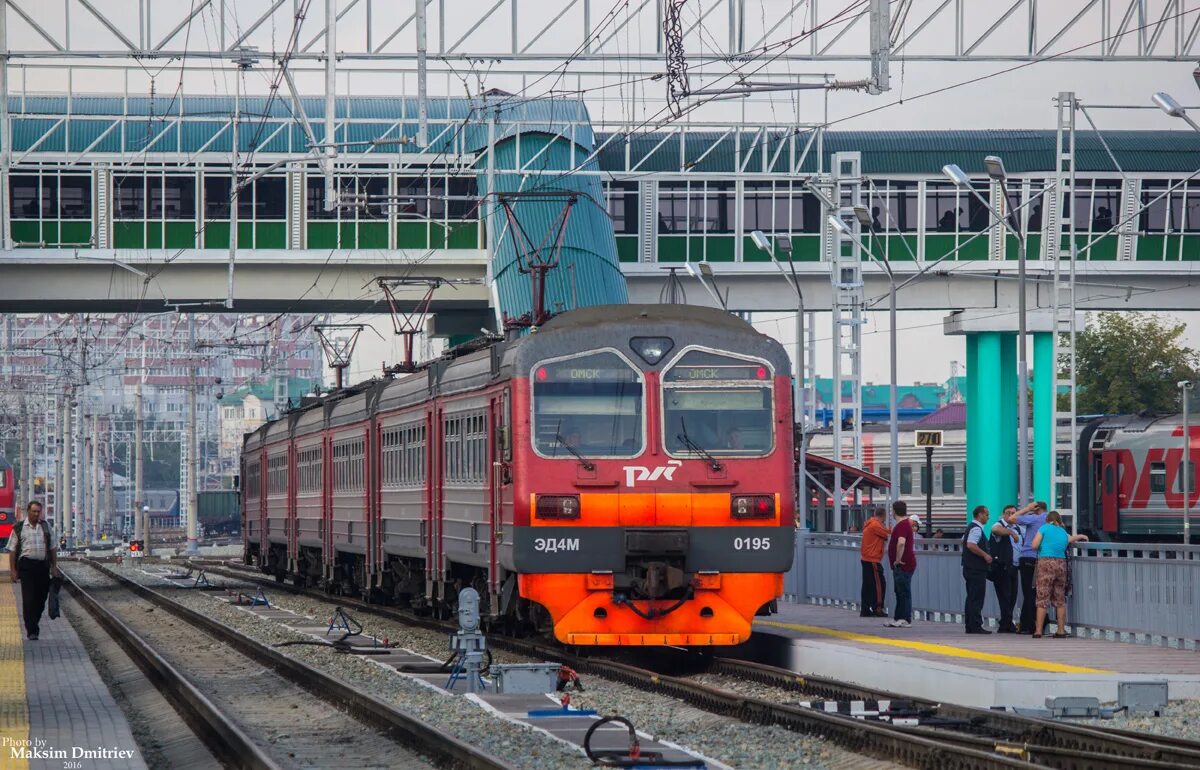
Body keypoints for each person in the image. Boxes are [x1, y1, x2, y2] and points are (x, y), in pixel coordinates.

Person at [6, 501, 60, 640]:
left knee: (41, 598)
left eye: (38, 512)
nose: (36, 514)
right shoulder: (18, 528)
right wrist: (13, 570)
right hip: (27, 566)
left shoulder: (46, 526)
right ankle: (32, 630)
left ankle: (33, 621)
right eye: (34, 511)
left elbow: (53, 547)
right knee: (29, 599)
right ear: (28, 512)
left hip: (42, 566)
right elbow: (12, 550)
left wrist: (54, 567)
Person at [1031, 511, 1089, 638]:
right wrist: (1080, 536)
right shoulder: (1062, 531)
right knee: (1060, 598)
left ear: (1048, 519)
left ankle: (1038, 630)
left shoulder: (1044, 528)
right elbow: (1070, 539)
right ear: (1059, 520)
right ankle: (1061, 630)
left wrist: (1042, 545)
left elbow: (1034, 545)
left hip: (1046, 563)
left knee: (1042, 597)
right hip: (1061, 564)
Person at [1015, 500, 1048, 635]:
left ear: (1036, 508)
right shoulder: (1050, 520)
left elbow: (1011, 519)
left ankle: (1029, 624)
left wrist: (1027, 508)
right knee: (1035, 592)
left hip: (1028, 557)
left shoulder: (1034, 518)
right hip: (1042, 558)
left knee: (1029, 592)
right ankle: (1033, 623)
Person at [988, 505, 1023, 633]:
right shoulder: (999, 525)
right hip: (1002, 567)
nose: (1010, 515)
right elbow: (996, 530)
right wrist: (1011, 533)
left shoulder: (1018, 527)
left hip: (1014, 566)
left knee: (1013, 596)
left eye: (1013, 513)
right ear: (1003, 514)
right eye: (1008, 513)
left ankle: (1006, 622)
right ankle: (1006, 624)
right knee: (1004, 596)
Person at [961, 505, 993, 634]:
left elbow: (963, 541)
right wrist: (985, 555)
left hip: (968, 567)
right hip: (976, 568)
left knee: (971, 596)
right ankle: (975, 625)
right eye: (986, 514)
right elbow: (971, 544)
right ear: (980, 515)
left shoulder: (970, 527)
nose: (988, 517)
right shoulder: (977, 529)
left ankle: (970, 624)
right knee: (977, 597)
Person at [886, 501, 916, 628]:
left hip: (903, 564)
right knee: (899, 591)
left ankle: (905, 618)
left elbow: (901, 542)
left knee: (903, 591)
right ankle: (898, 617)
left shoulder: (902, 525)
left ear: (894, 511)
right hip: (903, 564)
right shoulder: (904, 524)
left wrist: (897, 559)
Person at [859, 506, 890, 617]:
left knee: (867, 585)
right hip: (873, 559)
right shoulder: (876, 525)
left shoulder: (870, 523)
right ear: (884, 515)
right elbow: (888, 534)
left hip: (865, 558)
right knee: (879, 584)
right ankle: (878, 608)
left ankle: (865, 609)